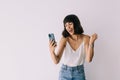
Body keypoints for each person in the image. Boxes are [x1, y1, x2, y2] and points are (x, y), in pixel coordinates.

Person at [48, 14, 98, 80]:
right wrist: (51, 51)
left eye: (70, 24)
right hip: (64, 72)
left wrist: (91, 43)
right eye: (66, 25)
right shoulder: (64, 39)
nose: (68, 27)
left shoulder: (86, 38)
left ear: (76, 24)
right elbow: (56, 61)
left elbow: (89, 59)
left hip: (79, 73)